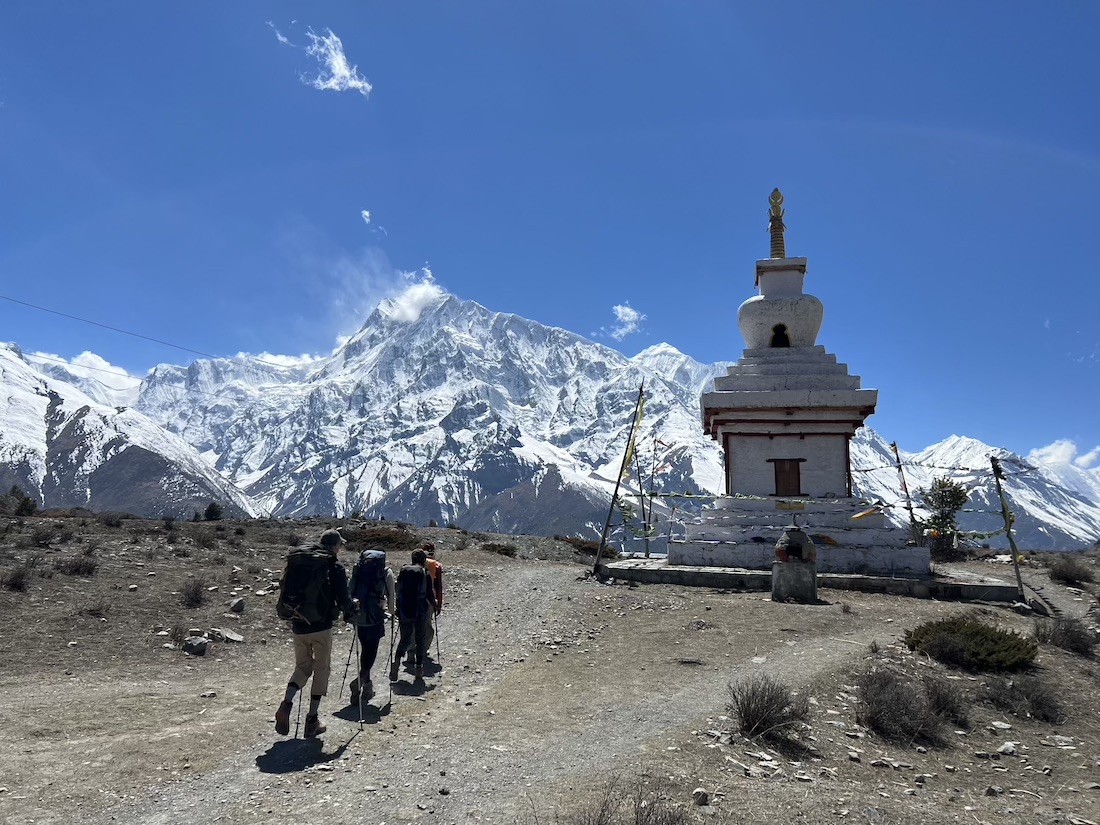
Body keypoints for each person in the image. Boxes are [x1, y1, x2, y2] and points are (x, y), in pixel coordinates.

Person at [274, 528, 356, 738]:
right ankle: (312, 720)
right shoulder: (333, 566)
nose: (340, 548)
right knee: (322, 669)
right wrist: (352, 609)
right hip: (321, 626)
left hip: (298, 624)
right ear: (335, 546)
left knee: (302, 667)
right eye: (340, 545)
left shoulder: (300, 562)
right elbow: (344, 598)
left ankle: (287, 703)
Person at [347, 546, 396, 704]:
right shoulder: (386, 572)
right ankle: (359, 681)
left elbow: (350, 589)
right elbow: (390, 595)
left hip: (359, 616)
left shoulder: (358, 569)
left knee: (364, 650)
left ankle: (367, 687)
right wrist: (392, 612)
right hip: (375, 616)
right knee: (371, 652)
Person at [389, 548, 436, 683]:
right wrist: (434, 604)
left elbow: (399, 589)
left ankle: (396, 663)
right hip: (420, 610)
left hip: (404, 609)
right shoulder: (425, 573)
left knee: (405, 638)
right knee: (420, 638)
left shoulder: (404, 571)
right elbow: (429, 594)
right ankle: (419, 669)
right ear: (423, 560)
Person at [423, 542, 444, 653]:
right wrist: (439, 604)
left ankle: (411, 650)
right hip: (429, 600)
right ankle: (423, 648)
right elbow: (438, 587)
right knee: (428, 626)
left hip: (414, 599)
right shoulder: (436, 566)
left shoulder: (416, 562)